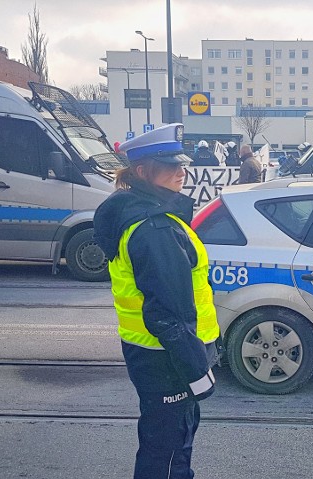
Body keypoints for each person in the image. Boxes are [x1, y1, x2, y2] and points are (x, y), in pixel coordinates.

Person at [93, 124, 220, 479]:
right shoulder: (154, 229)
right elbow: (168, 314)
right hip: (168, 360)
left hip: (155, 354)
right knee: (165, 451)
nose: (182, 171)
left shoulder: (141, 216)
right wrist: (198, 373)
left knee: (169, 444)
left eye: (182, 164)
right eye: (170, 165)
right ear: (143, 172)